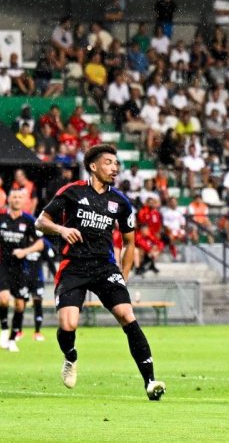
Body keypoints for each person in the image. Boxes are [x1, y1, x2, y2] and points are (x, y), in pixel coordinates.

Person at [36, 145, 166, 400]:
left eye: (116, 163)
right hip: (73, 265)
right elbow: (41, 221)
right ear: (93, 166)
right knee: (68, 323)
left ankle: (150, 382)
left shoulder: (120, 201)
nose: (114, 167)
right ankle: (70, 356)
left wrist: (123, 277)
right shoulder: (72, 192)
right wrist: (62, 230)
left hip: (104, 266)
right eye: (108, 162)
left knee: (127, 315)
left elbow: (130, 242)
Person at [0, 190, 44, 352]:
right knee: (4, 299)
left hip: (21, 267)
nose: (17, 200)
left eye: (20, 197)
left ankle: (12, 338)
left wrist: (25, 252)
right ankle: (4, 329)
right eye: (14, 197)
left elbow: (40, 243)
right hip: (1, 264)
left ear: (24, 201)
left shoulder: (28, 220)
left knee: (19, 304)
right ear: (9, 199)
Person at [22, 233, 56, 342]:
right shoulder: (23, 243)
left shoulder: (41, 245)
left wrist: (56, 276)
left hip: (38, 279)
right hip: (23, 278)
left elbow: (50, 262)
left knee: (37, 302)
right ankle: (18, 330)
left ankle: (37, 332)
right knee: (21, 303)